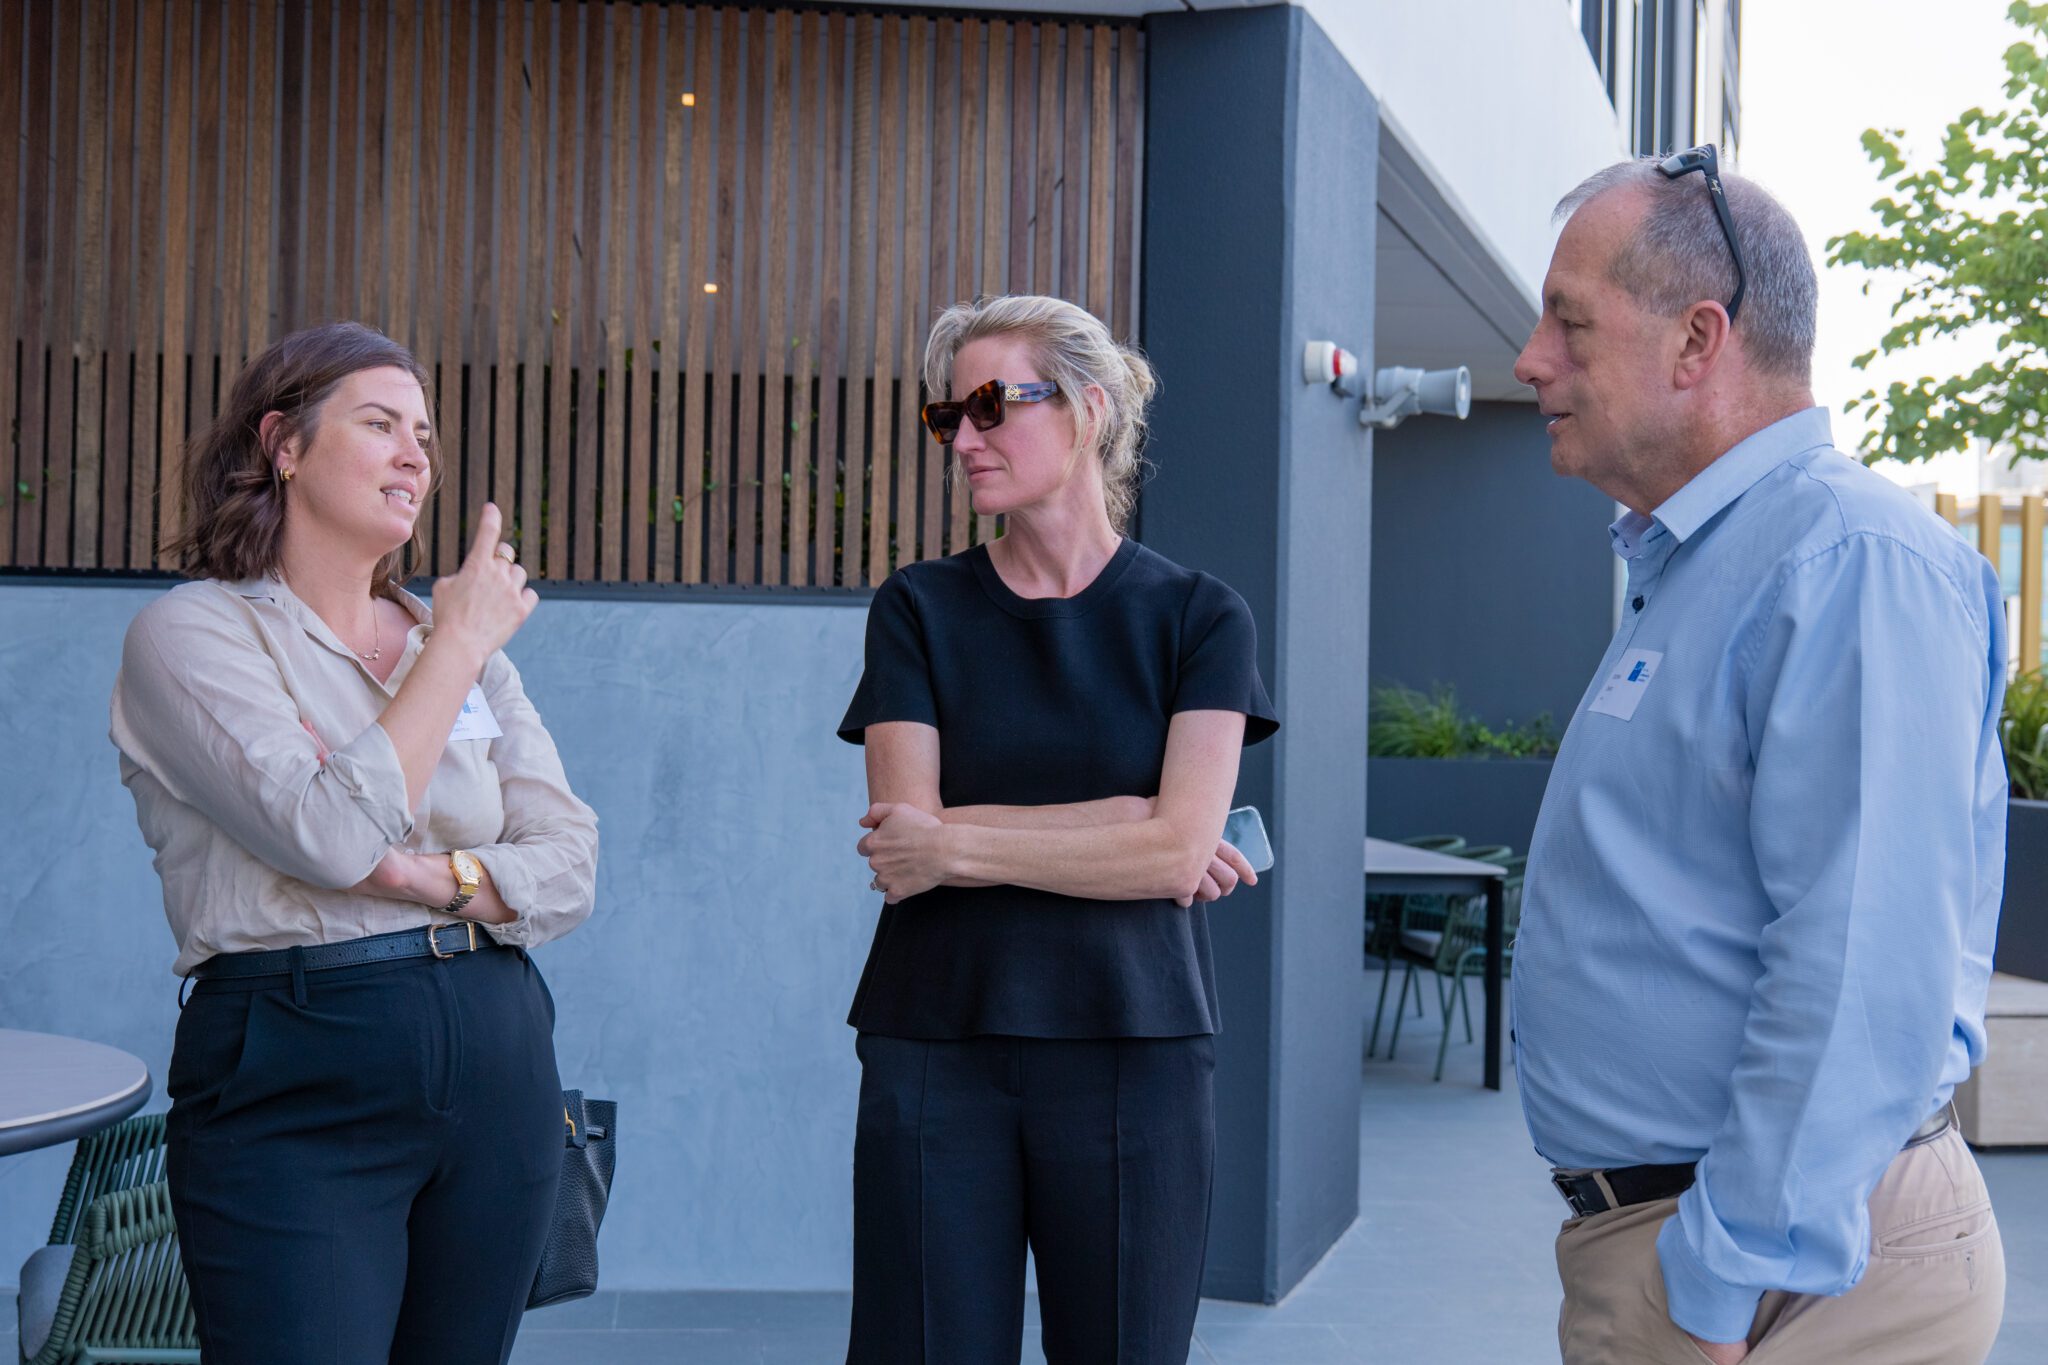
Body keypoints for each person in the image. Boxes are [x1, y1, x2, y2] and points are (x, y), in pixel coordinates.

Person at [1511, 149, 2007, 1365]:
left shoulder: (1843, 562)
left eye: (1569, 323)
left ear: (1696, 339)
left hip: (1786, 1275)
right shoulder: (1713, 561)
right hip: (1712, 1252)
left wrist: (1720, 1282)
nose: (1529, 360)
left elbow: (1857, 969)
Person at [110, 322, 598, 1365]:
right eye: (380, 424)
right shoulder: (196, 634)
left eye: (423, 434)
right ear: (283, 443)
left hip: (499, 1056)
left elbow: (569, 865)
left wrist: (423, 874)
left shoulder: (461, 647)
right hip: (297, 1061)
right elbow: (330, 836)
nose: (415, 455)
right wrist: (454, 646)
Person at [837, 294, 1278, 1364]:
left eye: (992, 405)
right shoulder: (919, 607)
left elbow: (1178, 851)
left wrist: (961, 841)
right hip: (938, 1039)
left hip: (1135, 1044)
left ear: (1088, 410)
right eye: (949, 416)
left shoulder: (1199, 616)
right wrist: (1126, 819)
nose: (964, 438)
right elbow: (902, 846)